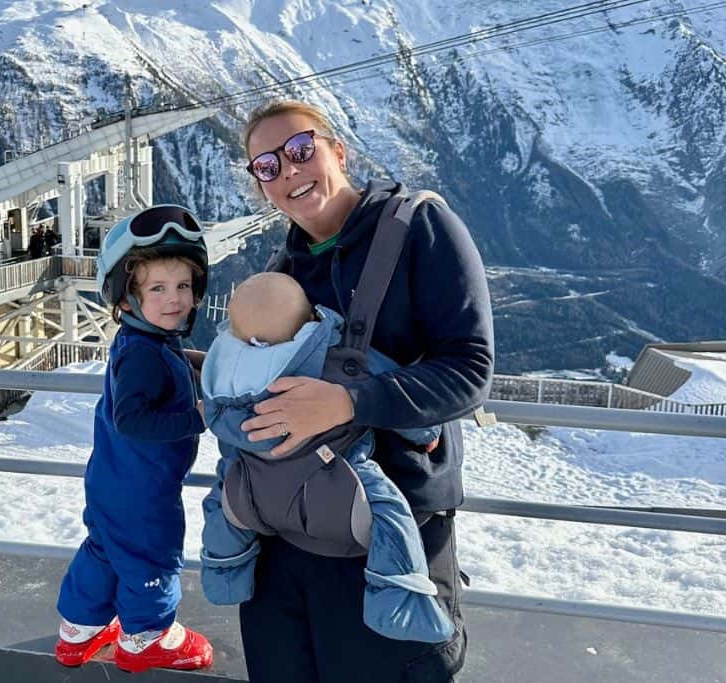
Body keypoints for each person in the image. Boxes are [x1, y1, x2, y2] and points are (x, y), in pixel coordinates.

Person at [228, 100, 494, 682]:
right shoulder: (283, 269)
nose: (290, 172)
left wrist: (349, 402)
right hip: (288, 537)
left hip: (392, 535)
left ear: (337, 150)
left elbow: (470, 369)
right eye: (267, 167)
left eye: (301, 151)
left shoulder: (419, 226)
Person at [199, 272, 452, 643]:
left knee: (222, 494)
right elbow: (387, 384)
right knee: (390, 516)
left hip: (251, 493)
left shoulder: (224, 372)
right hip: (337, 490)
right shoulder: (334, 360)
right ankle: (399, 599)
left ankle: (224, 575)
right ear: (308, 321)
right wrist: (427, 431)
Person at [54, 204, 214, 674]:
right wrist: (198, 416)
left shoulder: (143, 341)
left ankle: (78, 630)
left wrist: (201, 362)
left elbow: (167, 362)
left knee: (105, 548)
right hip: (144, 490)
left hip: (112, 479)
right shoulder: (146, 354)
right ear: (127, 298)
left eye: (183, 286)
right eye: (158, 288)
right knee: (151, 553)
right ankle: (148, 637)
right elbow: (133, 420)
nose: (175, 299)